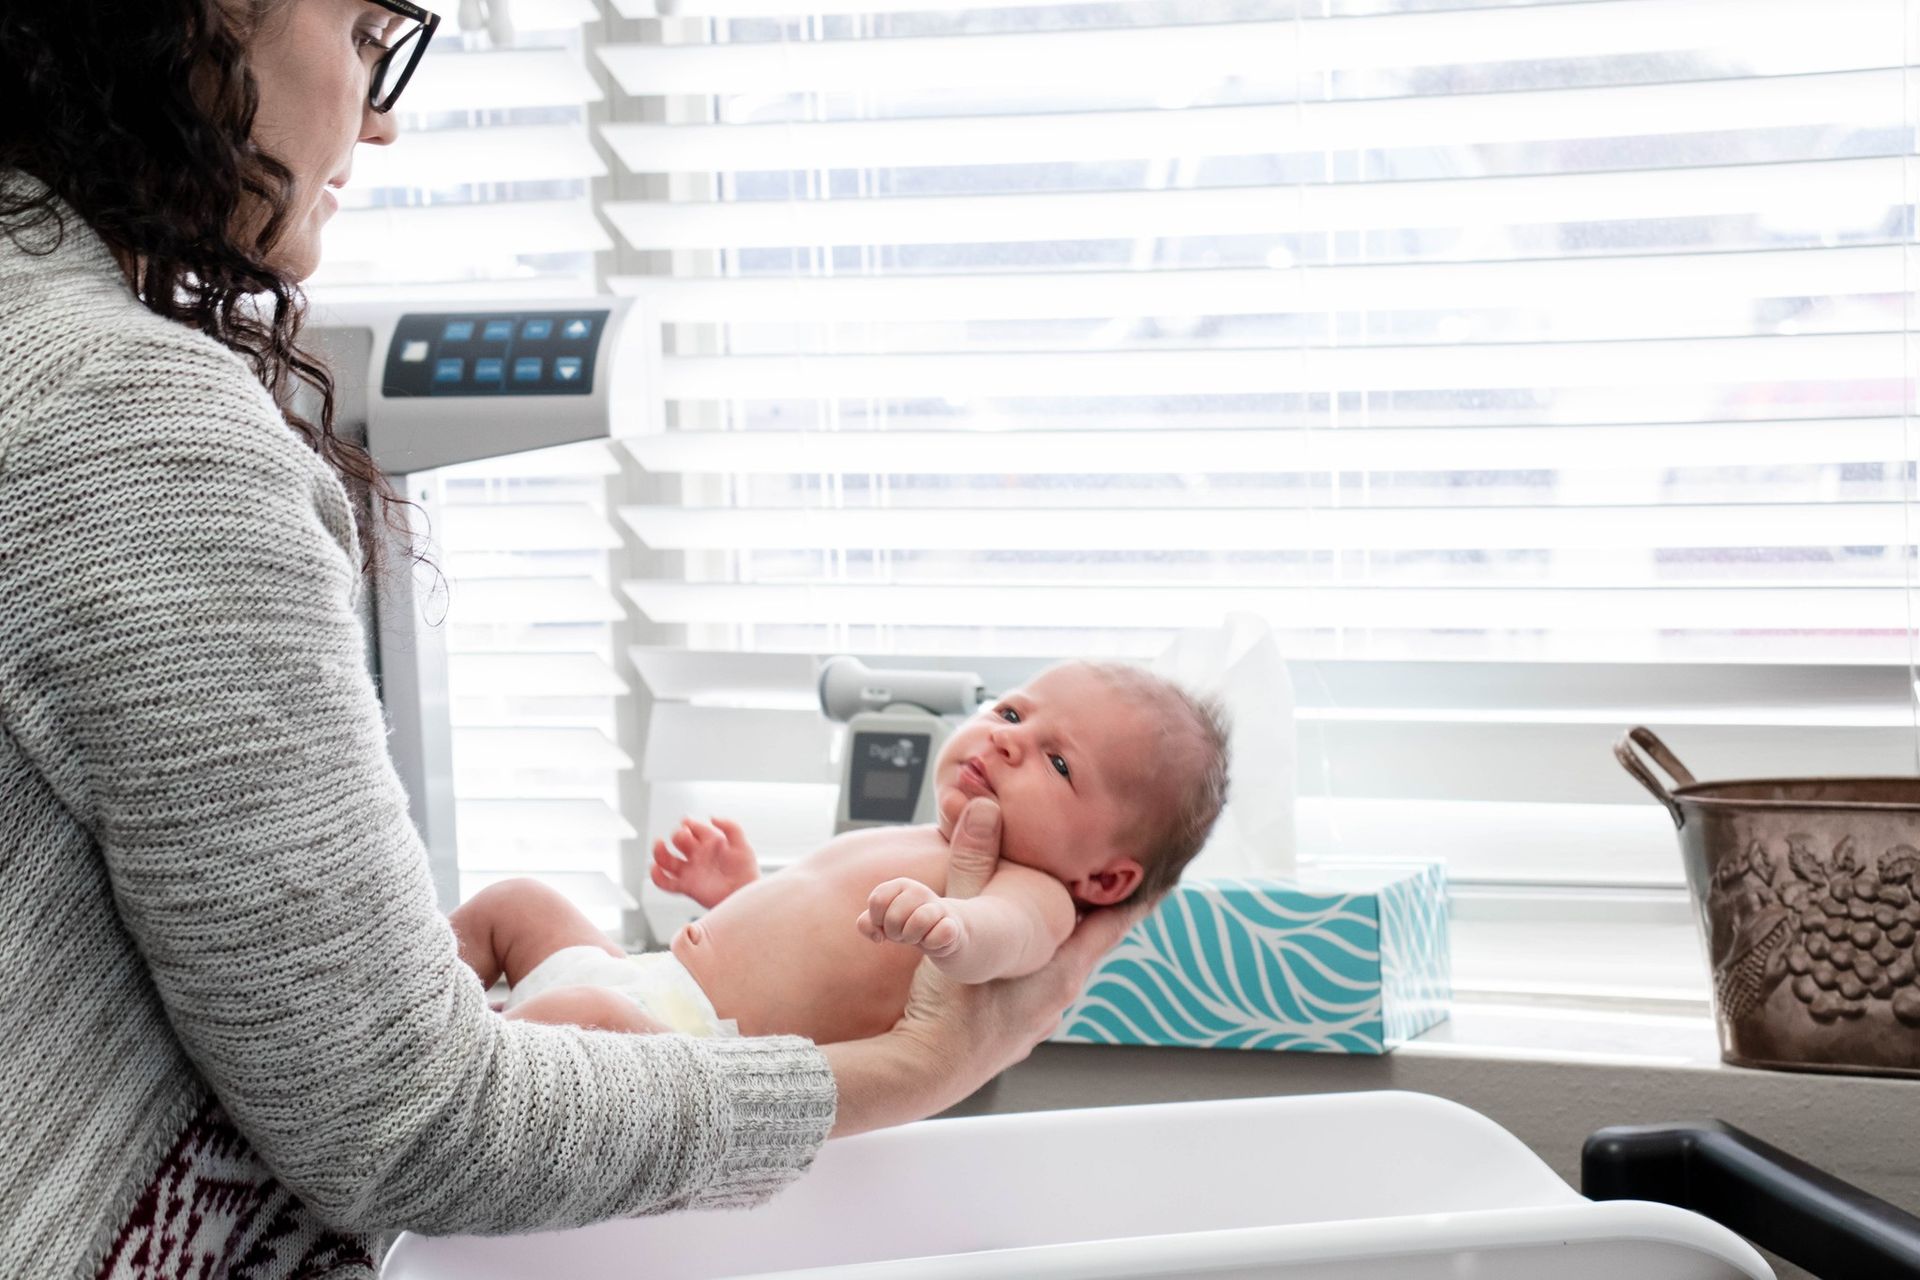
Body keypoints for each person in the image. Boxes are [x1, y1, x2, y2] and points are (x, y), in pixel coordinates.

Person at [0, 3, 1153, 1277]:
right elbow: (412, 1125)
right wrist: (923, 1063)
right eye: (371, 33)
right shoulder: (125, 432)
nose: (380, 115)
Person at [452, 662, 1230, 1046]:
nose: (1007, 739)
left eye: (1058, 763)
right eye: (1013, 711)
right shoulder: (918, 838)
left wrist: (956, 928)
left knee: (571, 1019)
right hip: (648, 978)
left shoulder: (1032, 893)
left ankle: (450, 1065)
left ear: (1105, 877)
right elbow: (806, 947)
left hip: (685, 1046)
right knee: (516, 905)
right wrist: (737, 892)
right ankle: (414, 1016)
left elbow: (1010, 937)